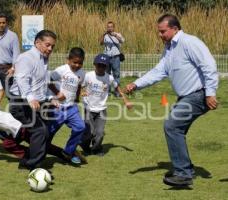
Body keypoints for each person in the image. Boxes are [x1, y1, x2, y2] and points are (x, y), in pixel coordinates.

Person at [126, 14, 218, 187]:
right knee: (176, 130)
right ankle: (183, 169)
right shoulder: (169, 49)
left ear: (175, 28)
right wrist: (136, 84)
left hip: (198, 94)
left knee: (172, 126)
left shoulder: (189, 42)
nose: (160, 35)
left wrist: (210, 93)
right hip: (186, 97)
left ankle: (183, 174)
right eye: (159, 32)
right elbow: (158, 72)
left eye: (163, 32)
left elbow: (209, 65)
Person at [0, 97, 82, 165]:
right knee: (9, 143)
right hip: (21, 128)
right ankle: (66, 155)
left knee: (33, 145)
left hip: (21, 129)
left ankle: (33, 156)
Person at [9, 30, 57, 170]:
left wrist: (50, 98)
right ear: (37, 42)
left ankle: (26, 162)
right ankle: (34, 166)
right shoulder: (26, 58)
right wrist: (30, 98)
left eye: (52, 46)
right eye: (48, 45)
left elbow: (39, 83)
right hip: (21, 103)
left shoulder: (43, 59)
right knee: (39, 131)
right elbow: (21, 79)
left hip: (33, 103)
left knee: (44, 132)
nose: (50, 49)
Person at [80, 54, 132, 156]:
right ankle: (85, 147)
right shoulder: (88, 75)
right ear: (94, 64)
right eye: (99, 65)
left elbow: (117, 88)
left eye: (103, 66)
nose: (101, 68)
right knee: (89, 132)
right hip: (89, 108)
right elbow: (81, 86)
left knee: (99, 133)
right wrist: (82, 92)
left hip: (101, 109)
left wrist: (125, 100)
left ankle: (96, 149)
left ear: (107, 66)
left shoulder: (110, 78)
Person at [47, 47, 86, 165]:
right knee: (48, 133)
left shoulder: (82, 73)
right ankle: (39, 151)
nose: (77, 65)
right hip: (58, 108)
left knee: (80, 127)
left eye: (80, 63)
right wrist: (58, 93)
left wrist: (77, 98)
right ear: (68, 60)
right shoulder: (61, 70)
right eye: (75, 62)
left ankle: (68, 152)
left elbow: (79, 86)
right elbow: (48, 80)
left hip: (71, 107)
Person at [100, 21, 125, 97]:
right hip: (106, 57)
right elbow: (100, 43)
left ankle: (117, 92)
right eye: (108, 27)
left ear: (113, 27)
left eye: (111, 27)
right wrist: (103, 35)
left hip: (115, 57)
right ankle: (107, 91)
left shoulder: (117, 34)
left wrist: (116, 35)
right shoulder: (105, 35)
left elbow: (122, 41)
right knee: (106, 74)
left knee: (116, 74)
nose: (109, 28)